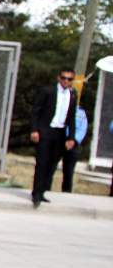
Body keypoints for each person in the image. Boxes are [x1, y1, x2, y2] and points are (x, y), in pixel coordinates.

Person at [29, 68, 78, 208]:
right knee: (42, 162)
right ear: (58, 78)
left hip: (60, 132)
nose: (66, 81)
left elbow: (71, 118)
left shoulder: (72, 94)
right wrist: (34, 130)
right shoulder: (48, 91)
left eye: (69, 79)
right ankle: (36, 193)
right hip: (45, 130)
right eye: (63, 78)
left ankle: (43, 190)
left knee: (52, 164)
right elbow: (36, 111)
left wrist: (71, 137)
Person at [62, 102, 89, 193]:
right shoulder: (61, 105)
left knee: (69, 169)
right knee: (50, 166)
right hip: (60, 139)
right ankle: (45, 188)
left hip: (74, 142)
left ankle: (66, 191)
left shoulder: (81, 112)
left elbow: (83, 128)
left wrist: (74, 140)